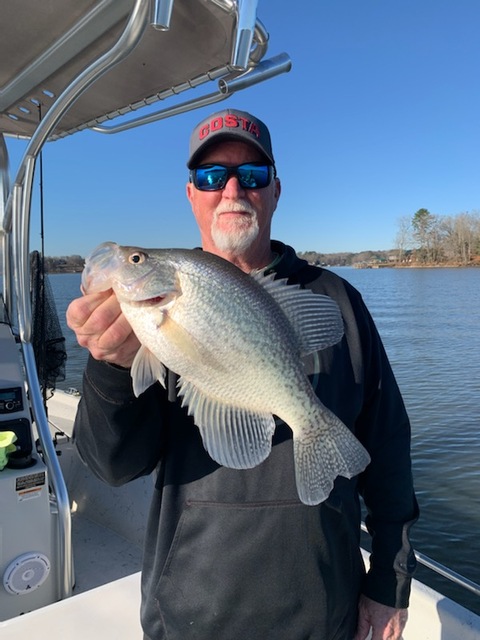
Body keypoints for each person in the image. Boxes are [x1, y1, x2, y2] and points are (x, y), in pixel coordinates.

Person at [67, 108, 419, 640]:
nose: (232, 189)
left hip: (324, 611)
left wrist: (390, 580)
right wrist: (113, 368)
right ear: (191, 195)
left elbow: (388, 448)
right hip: (194, 614)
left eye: (251, 175)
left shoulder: (338, 302)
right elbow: (114, 467)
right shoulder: (147, 319)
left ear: (275, 191)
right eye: (211, 176)